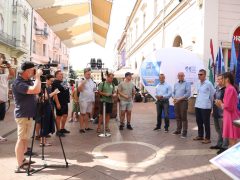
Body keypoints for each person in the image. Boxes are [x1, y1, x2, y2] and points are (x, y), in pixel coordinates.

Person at [12, 61, 42, 173]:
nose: (34, 72)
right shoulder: (18, 83)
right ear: (27, 71)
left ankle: (23, 159)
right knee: (21, 139)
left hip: (28, 115)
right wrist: (38, 76)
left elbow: (36, 91)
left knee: (25, 139)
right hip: (23, 115)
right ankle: (19, 165)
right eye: (33, 70)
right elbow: (36, 90)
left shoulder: (27, 81)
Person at [215, 72, 240, 149]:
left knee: (232, 141)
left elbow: (229, 107)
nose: (220, 80)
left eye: (222, 78)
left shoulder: (229, 89)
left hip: (230, 116)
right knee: (231, 139)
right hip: (229, 116)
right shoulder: (230, 88)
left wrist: (220, 104)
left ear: (227, 79)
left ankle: (233, 159)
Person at [194, 69, 215, 144]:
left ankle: (207, 138)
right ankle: (200, 135)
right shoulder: (198, 83)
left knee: (206, 122)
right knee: (198, 121)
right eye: (198, 74)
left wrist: (212, 107)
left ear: (205, 75)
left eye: (201, 74)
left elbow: (213, 94)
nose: (199, 76)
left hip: (206, 106)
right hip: (198, 105)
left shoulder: (208, 83)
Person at [37, 75, 58, 147]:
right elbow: (45, 97)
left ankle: (44, 141)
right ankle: (42, 142)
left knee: (46, 124)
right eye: (51, 81)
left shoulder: (48, 87)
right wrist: (54, 92)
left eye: (53, 81)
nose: (52, 82)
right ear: (47, 80)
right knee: (44, 124)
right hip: (45, 108)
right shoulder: (43, 87)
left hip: (48, 107)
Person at [210, 74, 229, 154]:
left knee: (224, 131)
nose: (218, 80)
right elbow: (215, 100)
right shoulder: (217, 88)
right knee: (218, 130)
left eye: (220, 79)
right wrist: (212, 110)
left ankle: (224, 147)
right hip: (216, 112)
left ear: (224, 80)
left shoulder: (226, 89)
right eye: (217, 79)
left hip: (222, 113)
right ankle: (219, 144)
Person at [0, 55, 14, 142]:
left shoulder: (3, 76)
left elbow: (12, 74)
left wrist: (9, 66)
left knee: (0, 119)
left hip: (2, 101)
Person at [172, 72, 191, 138]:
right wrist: (174, 97)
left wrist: (179, 99)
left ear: (184, 76)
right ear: (177, 76)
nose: (180, 77)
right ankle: (178, 130)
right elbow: (173, 92)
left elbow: (188, 94)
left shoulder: (187, 84)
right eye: (179, 75)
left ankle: (184, 132)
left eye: (182, 76)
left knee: (183, 117)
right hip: (176, 102)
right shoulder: (176, 84)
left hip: (183, 102)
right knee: (177, 116)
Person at [52, 70, 70, 137]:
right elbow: (55, 94)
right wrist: (57, 103)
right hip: (59, 102)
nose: (61, 75)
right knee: (59, 116)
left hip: (65, 101)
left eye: (62, 74)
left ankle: (62, 128)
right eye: (60, 74)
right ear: (56, 75)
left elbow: (66, 89)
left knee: (65, 115)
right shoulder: (55, 83)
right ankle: (58, 131)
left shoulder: (63, 82)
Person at [78, 68, 95, 133]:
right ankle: (81, 128)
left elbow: (93, 89)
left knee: (87, 113)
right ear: (84, 74)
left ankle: (86, 127)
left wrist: (93, 99)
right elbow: (79, 89)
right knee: (82, 113)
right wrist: (83, 83)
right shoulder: (82, 80)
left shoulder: (91, 80)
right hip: (83, 100)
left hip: (90, 100)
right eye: (88, 74)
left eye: (90, 74)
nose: (89, 75)